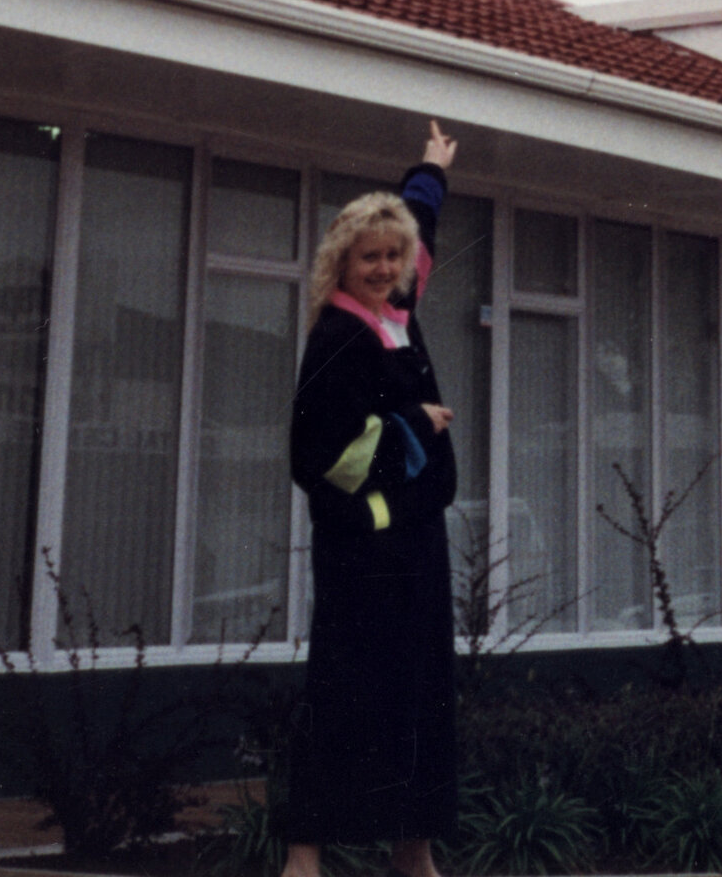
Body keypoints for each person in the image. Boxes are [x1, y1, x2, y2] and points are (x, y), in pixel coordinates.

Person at [280, 122, 459, 877]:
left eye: (392, 256)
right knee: (344, 696)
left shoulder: (396, 312)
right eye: (370, 257)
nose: (386, 268)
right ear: (341, 264)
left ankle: (413, 851)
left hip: (418, 549)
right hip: (362, 555)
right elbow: (317, 457)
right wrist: (413, 426)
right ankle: (303, 858)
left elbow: (420, 234)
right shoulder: (337, 338)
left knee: (421, 699)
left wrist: (431, 169)